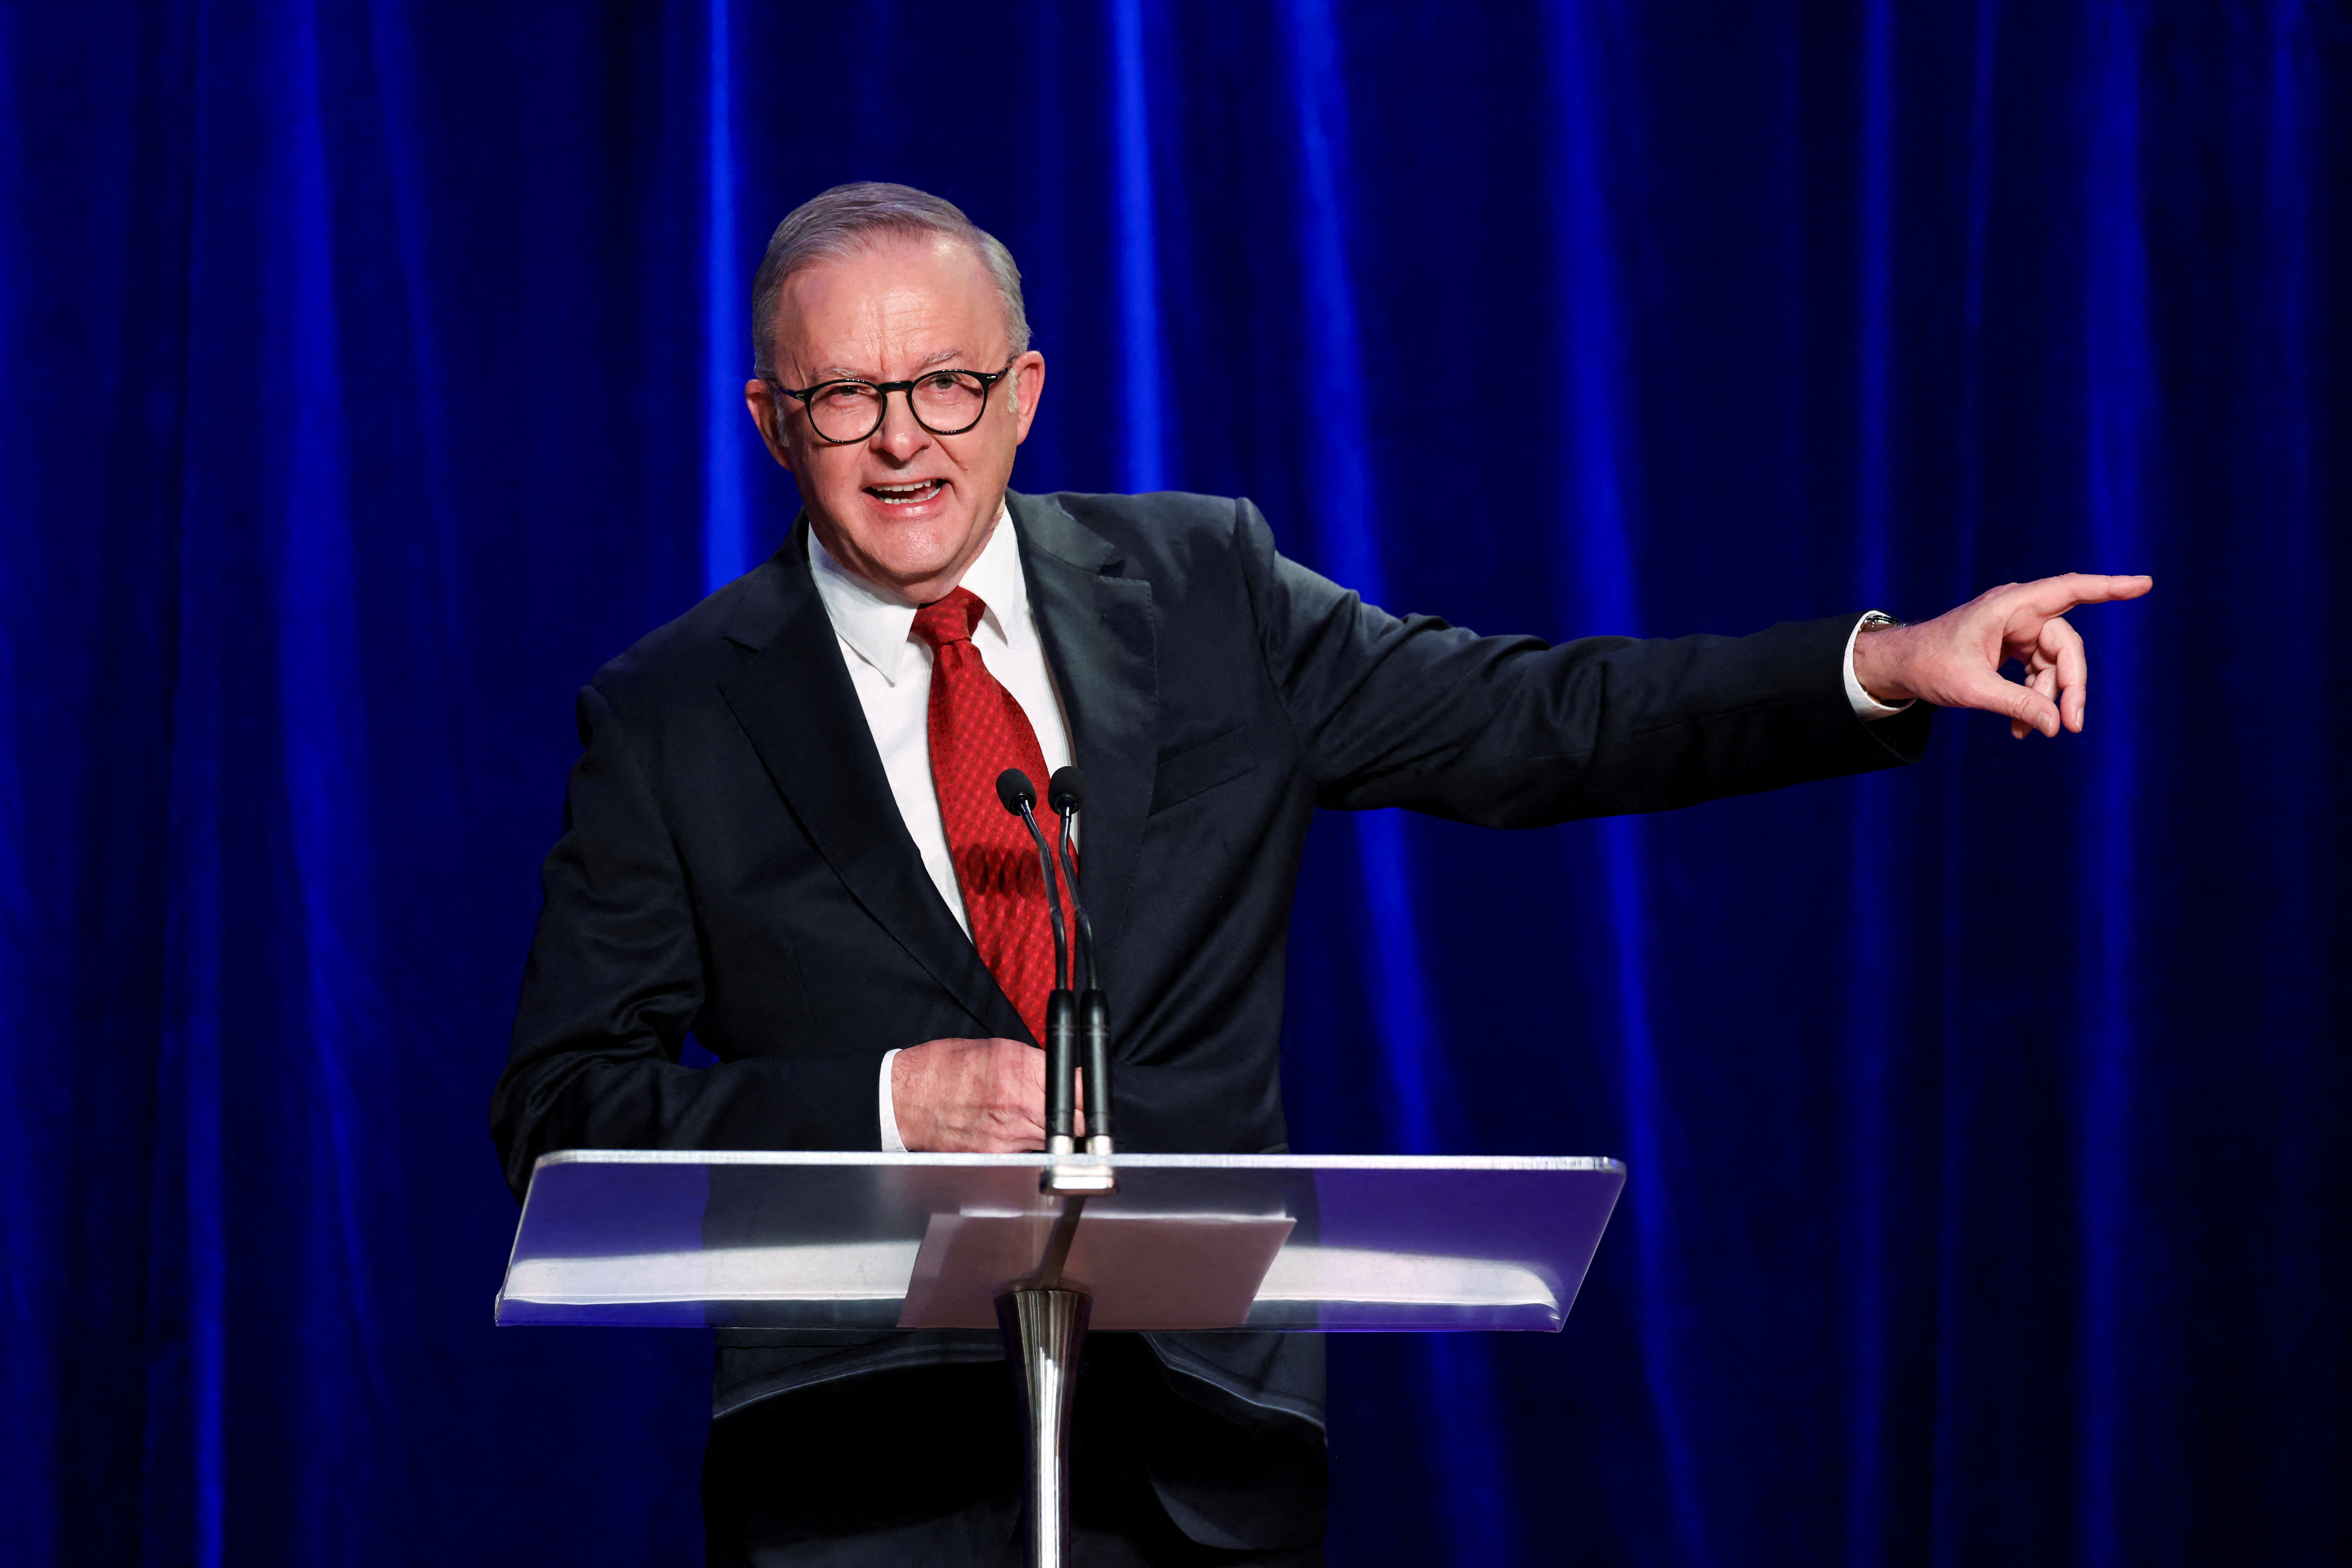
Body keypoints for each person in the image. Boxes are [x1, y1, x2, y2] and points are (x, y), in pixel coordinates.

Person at [490, 182, 2150, 1566]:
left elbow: (1536, 717)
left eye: (946, 385)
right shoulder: (672, 714)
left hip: (1205, 1467)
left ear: (1026, 392)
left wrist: (1875, 663)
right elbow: (561, 1112)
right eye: (846, 397)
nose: (903, 440)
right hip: (853, 1489)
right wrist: (884, 1102)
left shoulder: (1203, 586)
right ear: (774, 420)